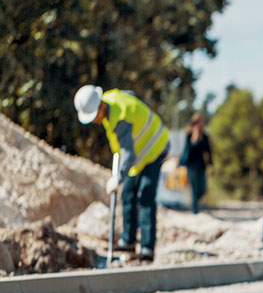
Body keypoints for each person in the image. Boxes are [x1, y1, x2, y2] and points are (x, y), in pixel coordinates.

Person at [74, 85, 169, 262]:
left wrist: (119, 177)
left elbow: (128, 153)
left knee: (146, 195)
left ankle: (147, 249)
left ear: (101, 106)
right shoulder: (111, 100)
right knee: (127, 193)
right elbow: (130, 95)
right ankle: (128, 241)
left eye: (94, 115)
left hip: (155, 147)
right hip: (139, 156)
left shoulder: (120, 118)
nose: (94, 120)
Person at [180, 112, 213, 214]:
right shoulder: (189, 135)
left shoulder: (205, 136)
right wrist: (194, 139)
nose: (201, 125)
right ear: (194, 123)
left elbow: (209, 151)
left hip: (201, 165)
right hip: (191, 166)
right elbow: (187, 150)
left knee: (202, 189)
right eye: (199, 122)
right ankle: (195, 211)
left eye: (202, 122)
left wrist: (211, 165)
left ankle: (196, 206)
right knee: (194, 188)